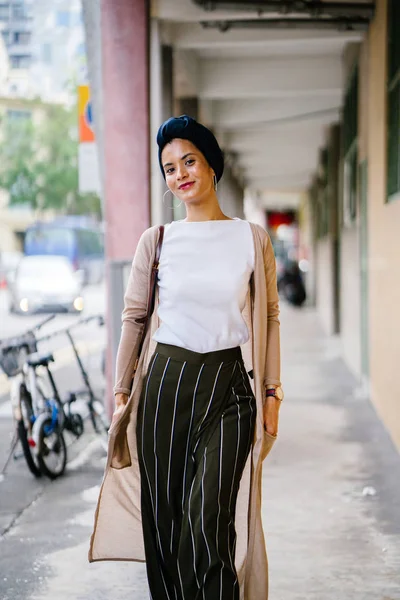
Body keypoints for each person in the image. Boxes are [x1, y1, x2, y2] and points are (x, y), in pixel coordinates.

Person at [88, 115, 283, 600]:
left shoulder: (252, 238)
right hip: (166, 389)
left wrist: (274, 392)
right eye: (169, 169)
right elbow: (134, 318)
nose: (180, 174)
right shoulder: (158, 242)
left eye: (188, 161)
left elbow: (271, 316)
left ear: (211, 164)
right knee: (168, 530)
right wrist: (121, 391)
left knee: (207, 525)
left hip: (230, 390)